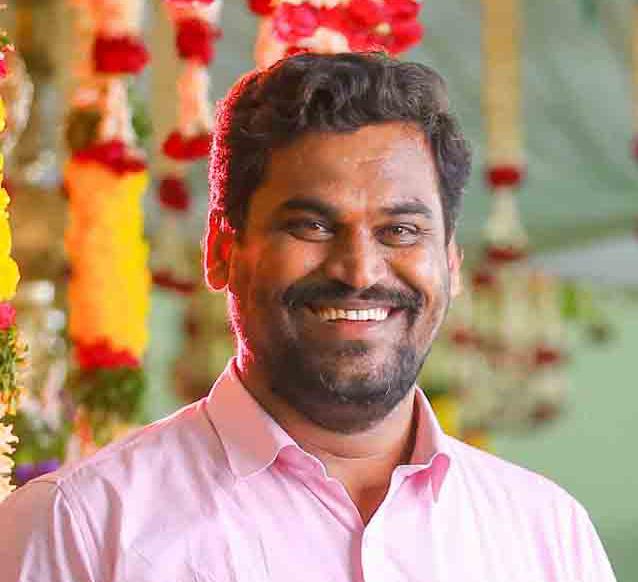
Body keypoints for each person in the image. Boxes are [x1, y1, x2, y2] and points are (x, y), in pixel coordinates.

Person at [0, 52, 616, 582]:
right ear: (221, 252)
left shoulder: (544, 534)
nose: (359, 270)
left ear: (451, 264)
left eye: (401, 230)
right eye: (312, 225)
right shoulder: (79, 527)